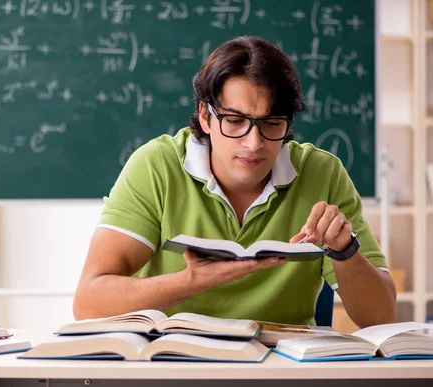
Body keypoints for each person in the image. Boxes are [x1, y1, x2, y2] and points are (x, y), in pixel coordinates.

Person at [73, 36, 396, 327]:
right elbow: (88, 302)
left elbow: (381, 317)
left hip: (282, 374)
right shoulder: (156, 166)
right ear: (205, 116)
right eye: (235, 121)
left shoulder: (322, 172)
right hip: (173, 367)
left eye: (272, 123)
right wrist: (188, 283)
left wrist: (345, 249)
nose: (253, 142)